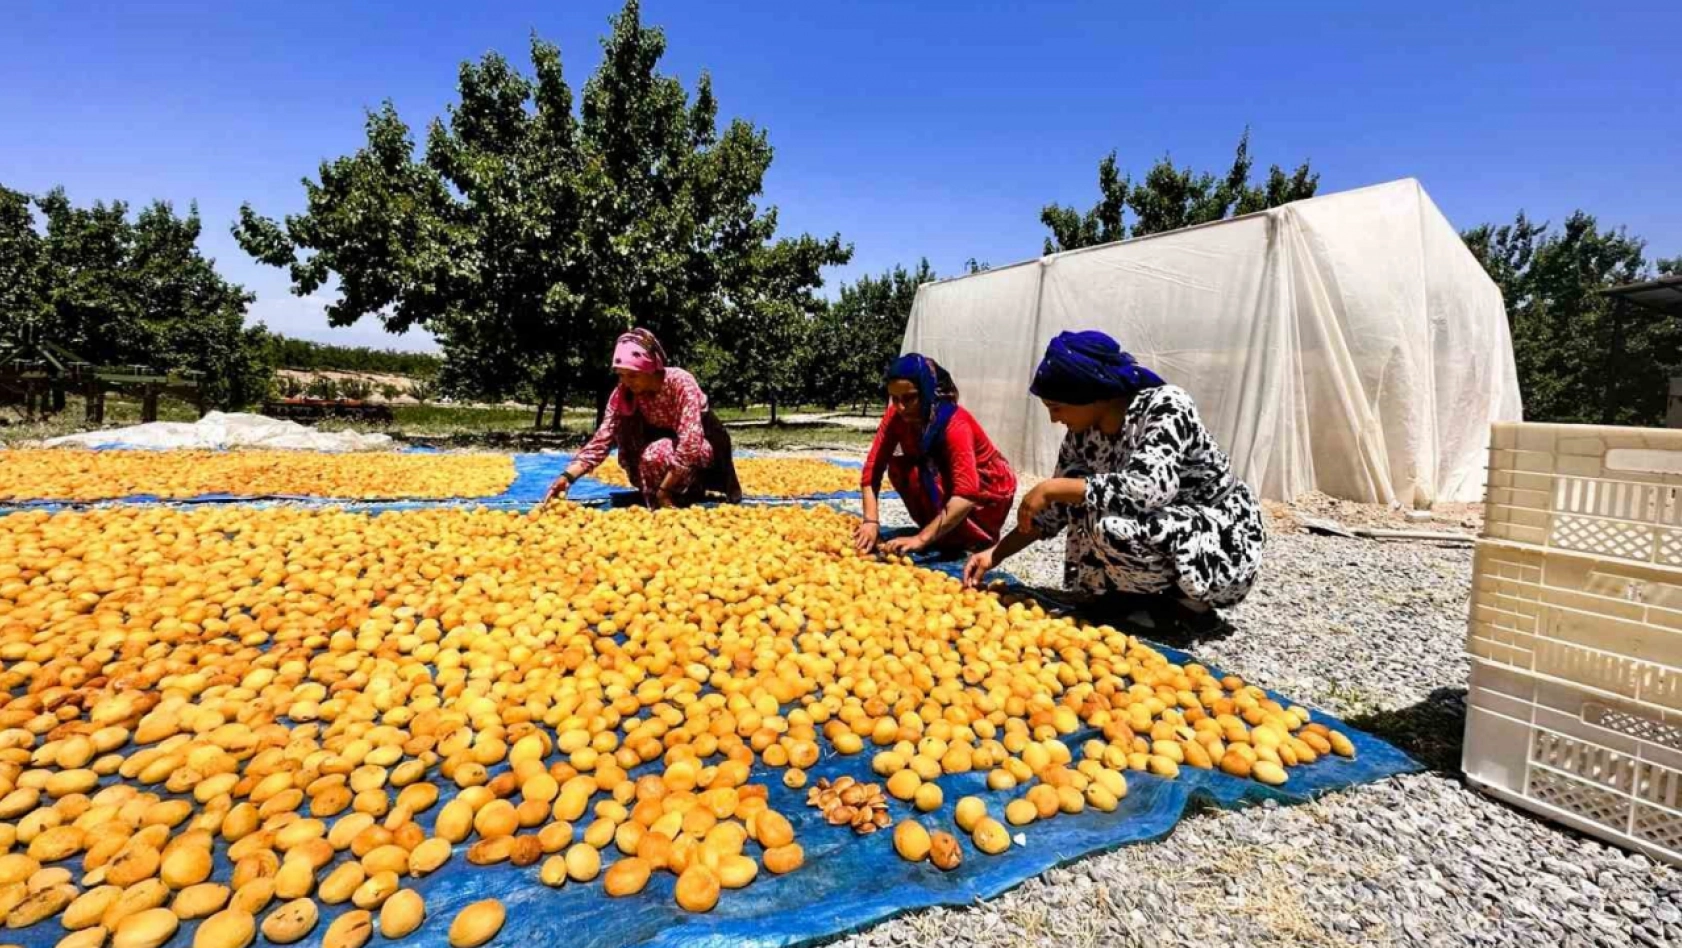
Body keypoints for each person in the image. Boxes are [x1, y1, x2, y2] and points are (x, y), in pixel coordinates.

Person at [963, 331, 1265, 623]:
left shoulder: (1165, 406)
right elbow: (1051, 515)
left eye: (1057, 407)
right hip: (1167, 526)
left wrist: (1054, 487)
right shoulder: (1081, 436)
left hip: (1219, 536)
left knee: (1105, 518)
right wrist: (994, 554)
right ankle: (1132, 598)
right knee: (1084, 501)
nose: (1054, 419)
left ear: (1093, 394)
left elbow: (1150, 488)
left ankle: (1189, 606)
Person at [545, 328, 741, 508]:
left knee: (655, 455)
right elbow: (603, 438)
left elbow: (690, 442)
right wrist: (567, 477)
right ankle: (663, 497)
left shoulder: (680, 383)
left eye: (632, 375)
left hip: (702, 450)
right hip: (663, 452)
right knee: (639, 446)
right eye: (621, 375)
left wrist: (664, 491)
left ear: (651, 368)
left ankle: (682, 492)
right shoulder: (624, 393)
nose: (625, 382)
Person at [856, 354, 1017, 556]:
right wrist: (870, 521)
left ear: (926, 392)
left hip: (986, 488)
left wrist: (921, 538)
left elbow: (966, 494)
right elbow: (873, 470)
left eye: (909, 398)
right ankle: (941, 530)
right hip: (946, 479)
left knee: (932, 476)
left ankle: (969, 536)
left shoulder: (954, 423)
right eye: (894, 399)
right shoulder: (896, 418)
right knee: (903, 469)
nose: (900, 407)